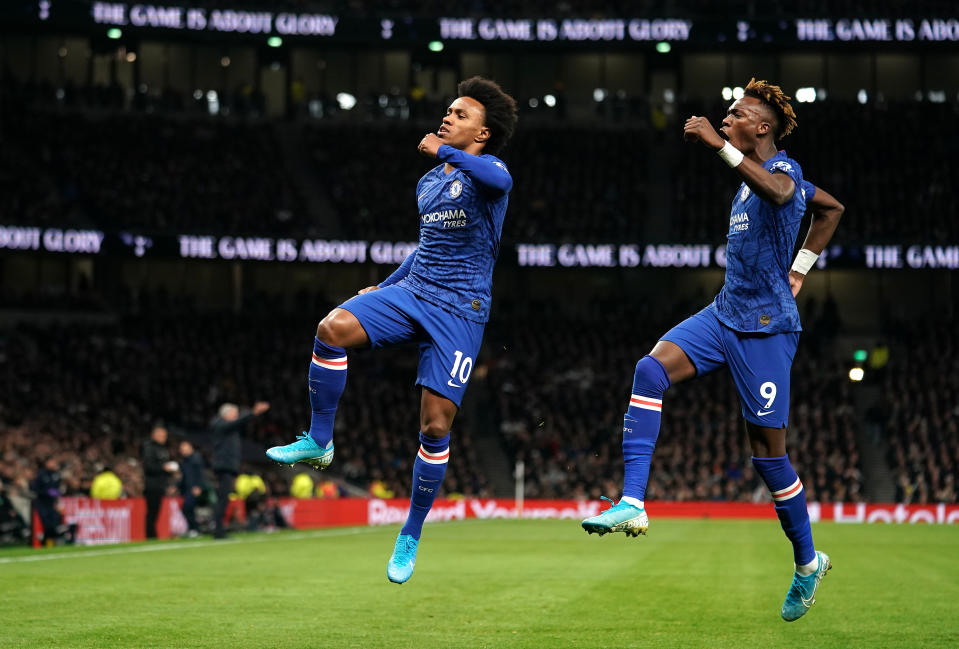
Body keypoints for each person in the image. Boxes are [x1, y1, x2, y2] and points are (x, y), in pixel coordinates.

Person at [581, 79, 842, 622]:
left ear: (762, 127)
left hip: (767, 330)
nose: (725, 117)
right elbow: (831, 209)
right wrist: (800, 267)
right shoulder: (748, 180)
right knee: (648, 370)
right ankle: (632, 501)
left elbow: (791, 196)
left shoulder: (782, 171)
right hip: (724, 314)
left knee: (769, 457)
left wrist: (798, 272)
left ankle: (806, 563)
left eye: (737, 113)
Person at [267, 76, 518, 584]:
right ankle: (319, 440)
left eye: (460, 115)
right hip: (415, 291)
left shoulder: (490, 171)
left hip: (461, 310)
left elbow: (501, 184)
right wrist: (379, 288)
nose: (448, 117)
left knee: (435, 426)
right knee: (332, 327)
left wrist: (444, 151)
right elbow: (423, 250)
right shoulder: (428, 183)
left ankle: (410, 533)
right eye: (448, 112)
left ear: (483, 133)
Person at [211, 401, 270, 539]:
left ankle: (218, 529)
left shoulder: (226, 428)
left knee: (223, 499)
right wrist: (253, 413)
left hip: (228, 467)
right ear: (226, 414)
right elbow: (237, 423)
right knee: (222, 499)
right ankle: (218, 530)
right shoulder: (220, 424)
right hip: (224, 466)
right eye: (234, 414)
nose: (236, 417)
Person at [141, 425, 177, 539]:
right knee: (152, 511)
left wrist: (169, 474)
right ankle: (150, 535)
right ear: (154, 435)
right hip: (152, 484)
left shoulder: (163, 449)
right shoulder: (149, 448)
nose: (163, 437)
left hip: (160, 484)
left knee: (156, 511)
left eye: (164, 435)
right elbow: (149, 467)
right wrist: (164, 468)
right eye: (161, 435)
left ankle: (153, 534)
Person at [178, 440, 206, 537]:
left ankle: (195, 529)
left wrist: (199, 486)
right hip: (186, 489)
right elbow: (183, 477)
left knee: (187, 508)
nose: (183, 450)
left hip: (193, 488)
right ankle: (193, 529)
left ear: (190, 447)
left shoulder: (196, 458)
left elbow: (200, 474)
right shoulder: (184, 461)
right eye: (181, 449)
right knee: (188, 510)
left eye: (184, 447)